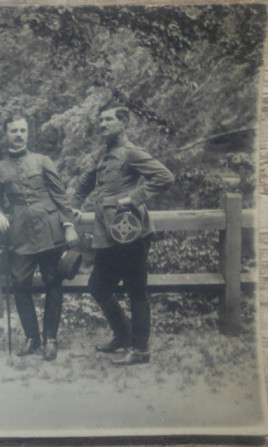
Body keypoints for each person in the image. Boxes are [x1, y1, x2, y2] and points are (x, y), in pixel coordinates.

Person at [72, 106, 174, 366]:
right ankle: (123, 335)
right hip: (107, 233)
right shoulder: (103, 155)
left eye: (108, 119)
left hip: (131, 232)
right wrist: (74, 203)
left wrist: (134, 197)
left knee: (136, 290)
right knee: (98, 286)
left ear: (124, 122)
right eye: (101, 119)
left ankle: (140, 351)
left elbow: (164, 176)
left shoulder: (132, 153)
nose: (102, 123)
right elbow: (86, 181)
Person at [0, 114, 79, 361]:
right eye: (13, 131)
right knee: (19, 283)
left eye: (22, 130)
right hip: (20, 234)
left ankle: (50, 338)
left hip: (50, 230)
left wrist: (69, 225)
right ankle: (32, 337)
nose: (18, 135)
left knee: (53, 281)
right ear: (5, 134)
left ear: (27, 133)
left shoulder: (42, 161)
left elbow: (61, 196)